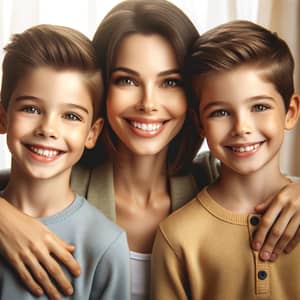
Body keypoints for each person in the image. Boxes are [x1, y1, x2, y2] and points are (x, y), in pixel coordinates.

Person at [1, 1, 300, 299]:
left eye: (170, 82)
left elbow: (266, 183)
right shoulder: (59, 181)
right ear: (101, 89)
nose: (148, 103)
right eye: (127, 80)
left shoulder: (212, 176)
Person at [151, 20, 300, 300]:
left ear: (290, 112)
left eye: (259, 107)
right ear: (199, 124)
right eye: (220, 112)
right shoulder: (178, 236)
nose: (241, 127)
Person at [0, 24, 130, 299]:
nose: (48, 129)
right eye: (31, 109)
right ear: (3, 117)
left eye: (71, 116)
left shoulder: (104, 243)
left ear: (92, 133)